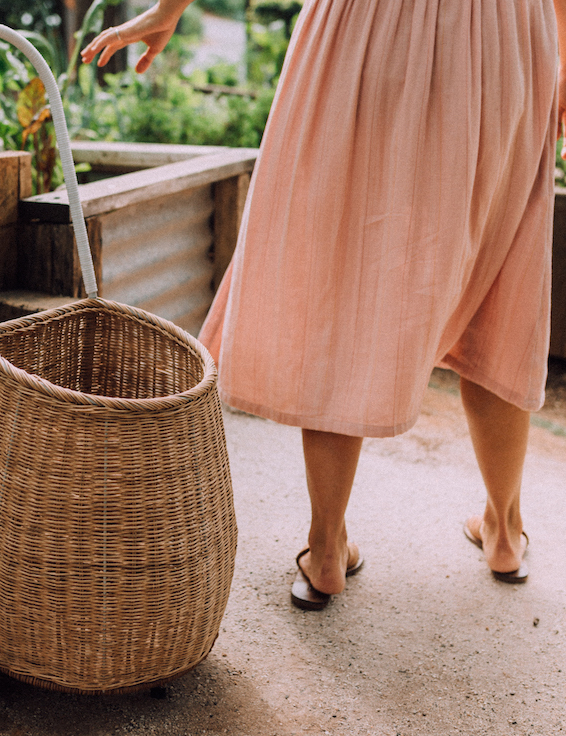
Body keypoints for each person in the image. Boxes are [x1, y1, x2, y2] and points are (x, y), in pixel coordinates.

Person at [82, 0, 566, 609]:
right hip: (505, 36)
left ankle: (327, 547)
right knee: (501, 278)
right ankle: (504, 532)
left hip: (366, 30)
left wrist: (168, 8)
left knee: (340, 272)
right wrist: (563, 55)